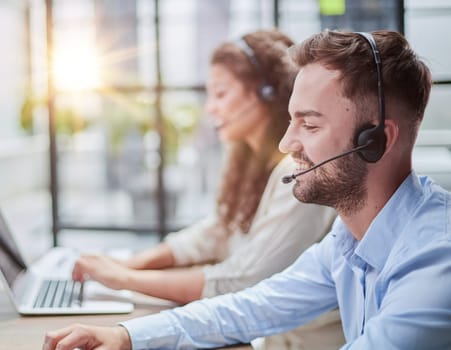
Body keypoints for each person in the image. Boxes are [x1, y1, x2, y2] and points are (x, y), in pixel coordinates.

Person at [43, 29, 451, 350]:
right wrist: (127, 336)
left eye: (309, 125)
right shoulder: (346, 242)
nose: (286, 143)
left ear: (376, 141)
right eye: (291, 121)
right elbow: (251, 307)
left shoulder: (435, 263)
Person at [67, 29, 342, 349]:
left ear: (267, 92)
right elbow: (215, 232)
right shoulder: (250, 161)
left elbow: (242, 281)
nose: (210, 108)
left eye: (221, 94)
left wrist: (123, 279)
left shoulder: (299, 173)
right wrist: (127, 264)